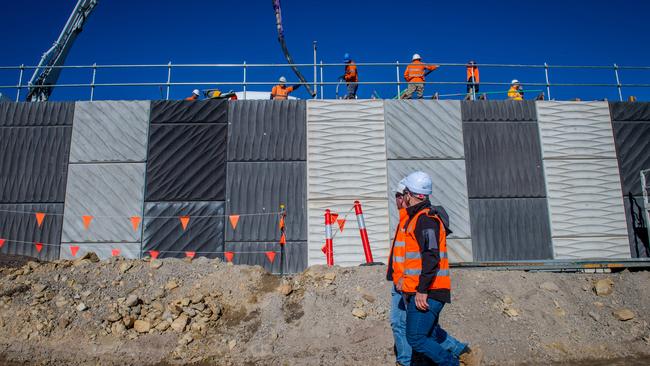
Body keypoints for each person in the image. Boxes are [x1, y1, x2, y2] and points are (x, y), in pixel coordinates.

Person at [387, 177, 472, 366]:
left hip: (429, 291)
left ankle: (452, 363)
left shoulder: (425, 220)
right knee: (430, 335)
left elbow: (431, 256)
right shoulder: (417, 219)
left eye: (403, 195)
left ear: (409, 195)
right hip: (419, 288)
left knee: (416, 337)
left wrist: (422, 290)